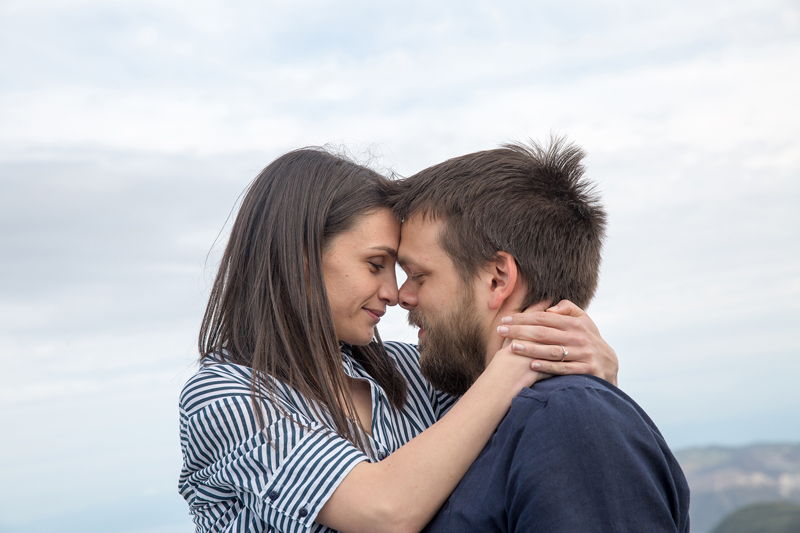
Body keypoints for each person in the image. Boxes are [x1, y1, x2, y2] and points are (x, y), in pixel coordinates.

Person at [178, 147, 618, 532]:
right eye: (375, 265)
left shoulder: (412, 372)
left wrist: (595, 371)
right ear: (301, 259)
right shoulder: (226, 396)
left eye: (403, 270)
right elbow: (384, 512)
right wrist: (518, 359)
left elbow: (540, 443)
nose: (394, 292)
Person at [389, 138, 690, 532]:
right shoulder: (489, 414)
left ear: (498, 279)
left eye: (419, 275)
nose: (402, 296)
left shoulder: (569, 420)